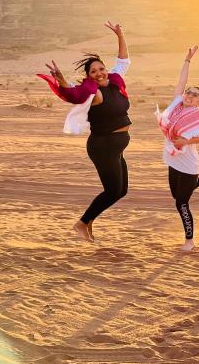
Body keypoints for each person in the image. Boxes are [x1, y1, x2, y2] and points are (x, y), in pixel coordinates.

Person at [38, 21, 131, 242]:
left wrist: (120, 34)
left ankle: (87, 223)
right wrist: (60, 79)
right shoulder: (93, 93)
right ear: (89, 76)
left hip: (115, 147)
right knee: (112, 191)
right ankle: (81, 224)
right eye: (93, 72)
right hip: (103, 147)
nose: (99, 73)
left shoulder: (115, 82)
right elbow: (73, 92)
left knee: (121, 191)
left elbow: (124, 60)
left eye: (101, 68)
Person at [156, 46, 199, 251]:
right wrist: (187, 60)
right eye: (189, 93)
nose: (190, 96)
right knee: (176, 195)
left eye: (195, 95)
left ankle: (189, 241)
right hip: (172, 158)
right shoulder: (177, 103)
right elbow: (181, 81)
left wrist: (186, 142)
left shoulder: (197, 115)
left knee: (181, 202)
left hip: (188, 163)